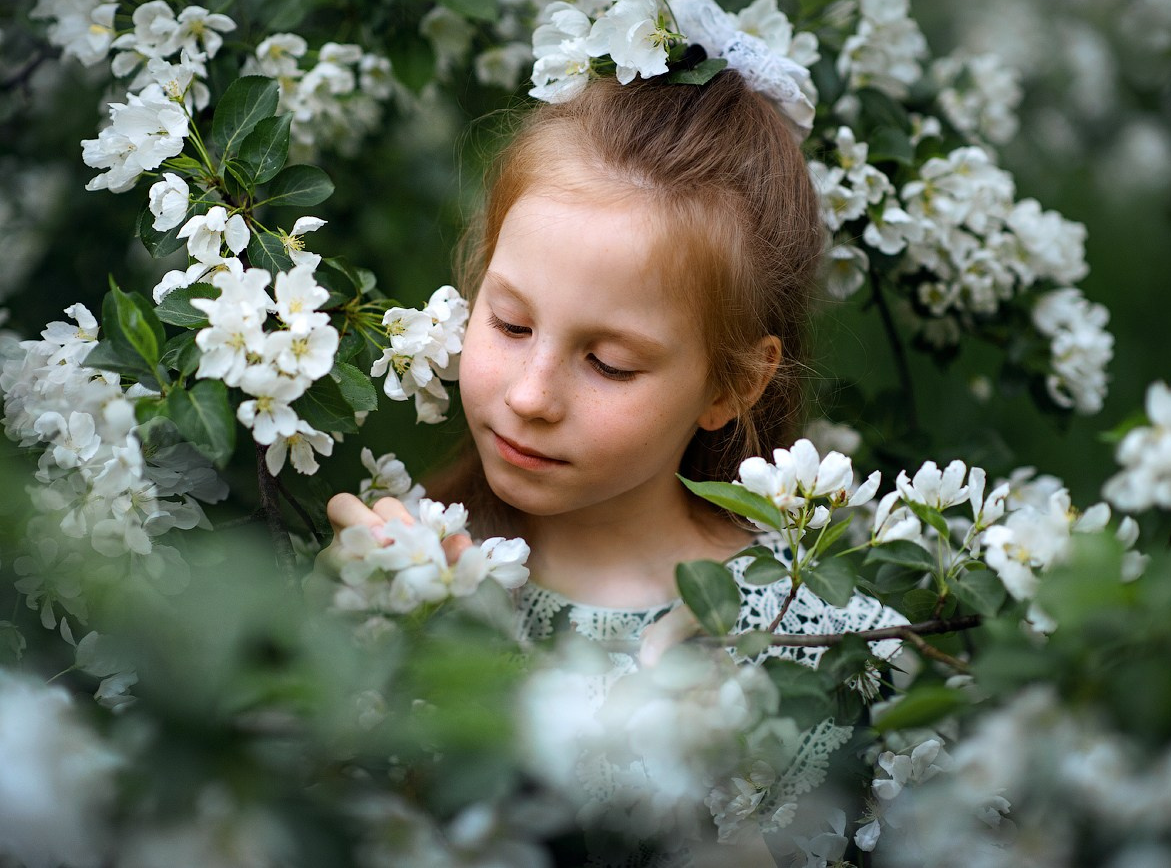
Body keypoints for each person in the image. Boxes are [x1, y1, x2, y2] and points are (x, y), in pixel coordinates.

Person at [327, 67, 901, 649]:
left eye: (609, 364)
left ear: (733, 385)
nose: (529, 397)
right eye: (511, 324)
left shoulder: (837, 649)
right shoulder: (409, 568)